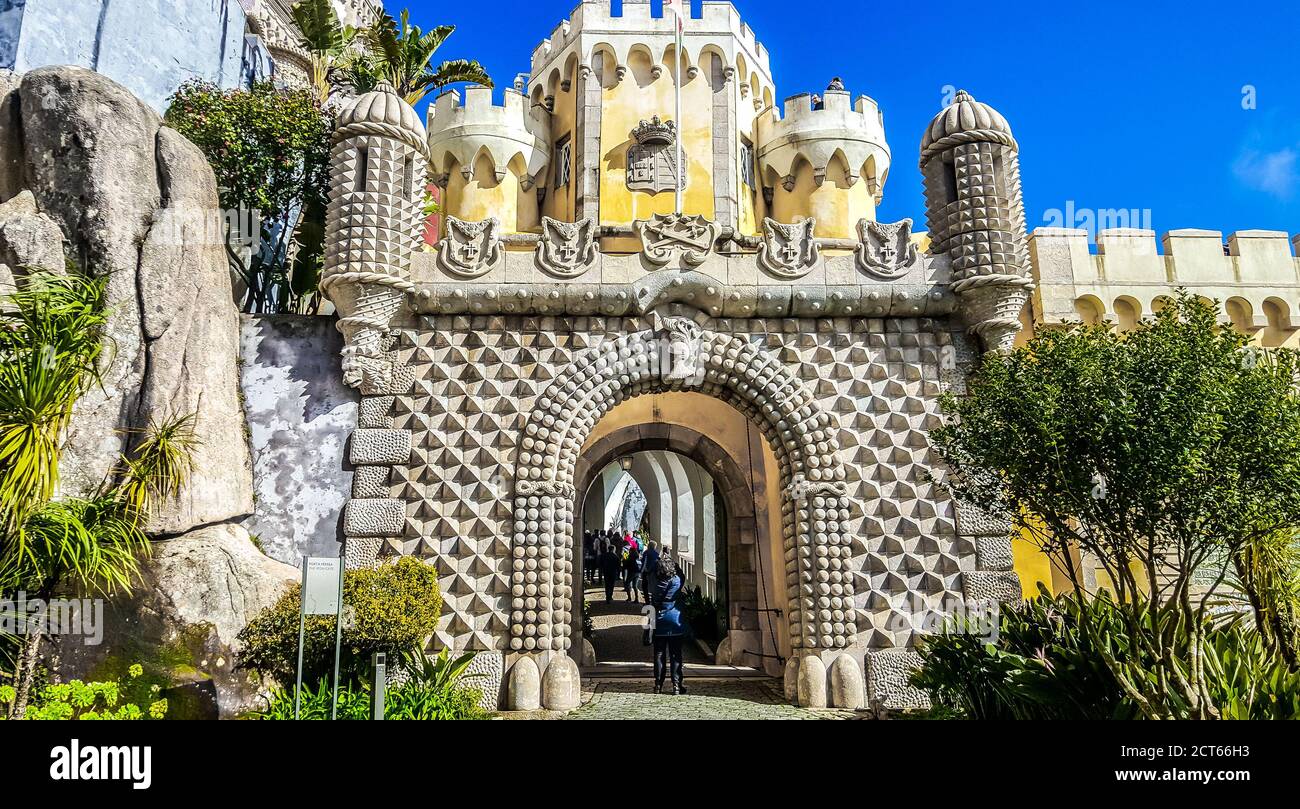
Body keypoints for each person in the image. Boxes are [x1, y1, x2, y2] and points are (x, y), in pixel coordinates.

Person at [650, 554, 687, 695]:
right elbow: (682, 576)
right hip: (674, 619)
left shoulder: (654, 581)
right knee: (675, 654)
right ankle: (677, 685)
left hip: (658, 619)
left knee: (659, 654)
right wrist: (676, 566)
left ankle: (658, 685)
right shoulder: (676, 580)